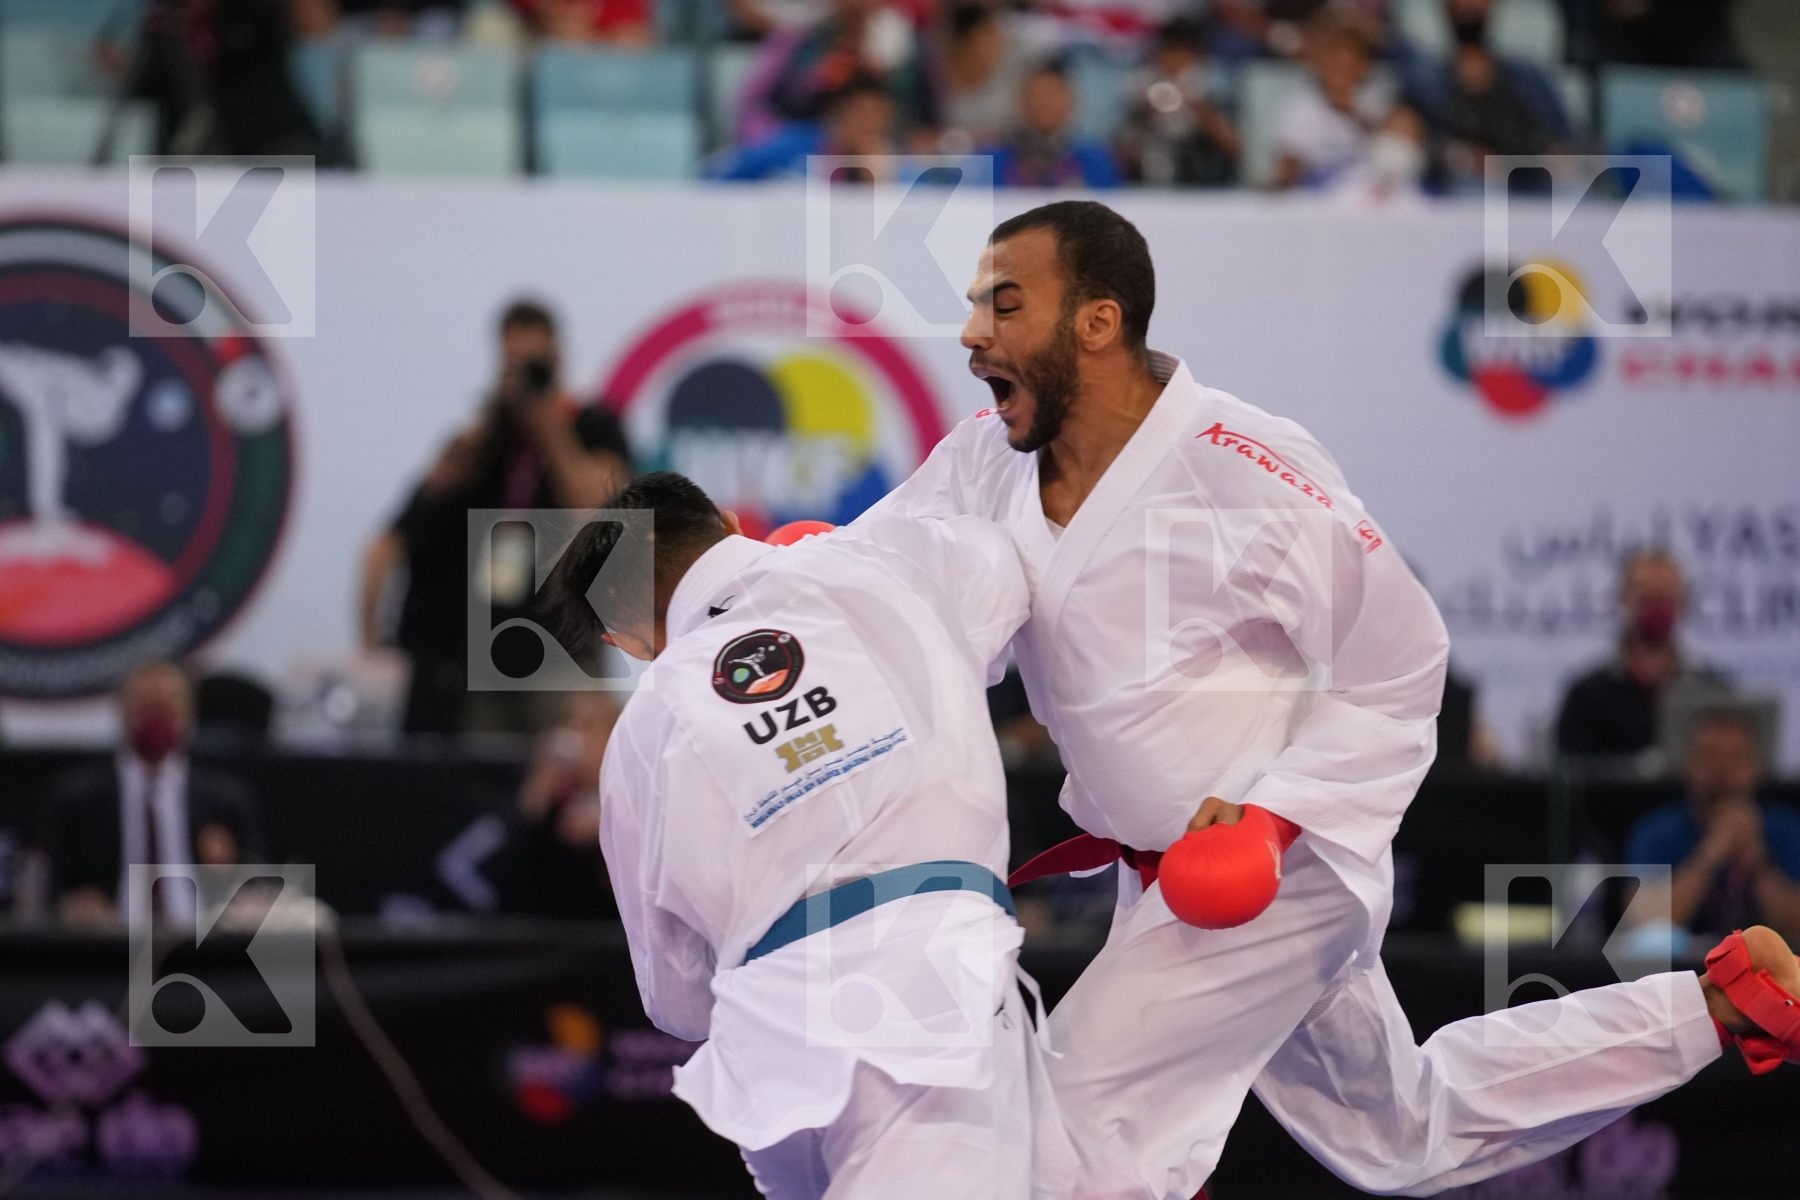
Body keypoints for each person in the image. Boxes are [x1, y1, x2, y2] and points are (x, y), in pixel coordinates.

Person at [862, 199, 1800, 1198]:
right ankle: (1721, 1003)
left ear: (1095, 322)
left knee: (1073, 1135)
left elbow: (1398, 662)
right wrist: (739, 583)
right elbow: (874, 579)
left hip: (1280, 871)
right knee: (1399, 1130)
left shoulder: (1240, 467)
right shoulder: (982, 459)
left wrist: (1271, 819)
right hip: (1169, 880)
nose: (969, 334)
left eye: (1002, 306)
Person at [545, 472, 1091, 1199]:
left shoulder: (643, 732)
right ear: (729, 520)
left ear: (627, 639)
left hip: (775, 1040)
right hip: (928, 997)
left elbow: (674, 999)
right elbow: (1008, 564)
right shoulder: (877, 565)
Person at [359, 299, 632, 735]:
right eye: (512, 365)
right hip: (485, 648)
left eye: (535, 365)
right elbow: (414, 516)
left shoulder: (592, 425)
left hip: (562, 642)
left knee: (571, 767)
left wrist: (550, 426)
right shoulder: (485, 442)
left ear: (559, 359)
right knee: (484, 773)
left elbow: (599, 506)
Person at [38, 661, 266, 927]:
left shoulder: (226, 797)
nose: (157, 718)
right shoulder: (77, 797)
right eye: (146, 705)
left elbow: (257, 880)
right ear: (121, 709)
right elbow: (50, 886)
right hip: (109, 947)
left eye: (168, 705)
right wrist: (74, 905)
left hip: (205, 948)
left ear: (189, 713)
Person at [1628, 706, 1800, 945]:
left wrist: (1758, 860)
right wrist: (1711, 853)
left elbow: (1795, 922)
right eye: (1709, 756)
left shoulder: (1787, 829)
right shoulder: (1657, 831)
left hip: (1769, 966)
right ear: (1689, 764)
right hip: (1683, 965)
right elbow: (1644, 922)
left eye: (1735, 758)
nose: (1722, 771)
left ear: (1755, 767)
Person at [1555, 547, 1732, 768]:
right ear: (1623, 599)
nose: (1658, 608)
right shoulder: (1588, 696)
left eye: (1666, 598)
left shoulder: (1713, 692)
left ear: (1684, 603)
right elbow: (1572, 781)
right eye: (1648, 598)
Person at [1399, 0, 1575, 193]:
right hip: (1453, 194)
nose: (1470, 6)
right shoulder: (1424, 80)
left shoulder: (1528, 78)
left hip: (1528, 189)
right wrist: (1463, 158)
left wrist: (1508, 162)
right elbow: (1416, 143)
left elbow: (1561, 145)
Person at [1271, 9, 1426, 195]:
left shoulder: (1380, 97)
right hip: (1322, 193)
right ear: (1318, 62)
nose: (1341, 67)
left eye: (1351, 59)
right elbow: (1289, 163)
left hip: (1374, 193)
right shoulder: (1302, 106)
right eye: (1333, 59)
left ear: (1365, 64)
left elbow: (1401, 148)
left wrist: (1355, 115)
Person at [1115, 16, 1241, 188]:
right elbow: (1123, 152)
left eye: (1181, 54)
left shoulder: (1214, 82)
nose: (1174, 62)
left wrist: (1197, 106)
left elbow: (1234, 147)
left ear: (1195, 54)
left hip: (1204, 174)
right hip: (1151, 173)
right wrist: (1146, 112)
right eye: (1169, 52)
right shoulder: (1141, 80)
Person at [708, 74, 898, 181]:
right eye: (862, 114)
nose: (868, 125)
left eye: (877, 117)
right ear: (839, 112)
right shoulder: (792, 147)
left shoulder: (894, 164)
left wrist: (878, 181)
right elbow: (717, 177)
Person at [985, 61, 1121, 190]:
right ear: (1021, 101)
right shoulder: (994, 158)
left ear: (1070, 100)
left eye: (1053, 94)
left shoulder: (1096, 159)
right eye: (1037, 94)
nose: (1045, 103)